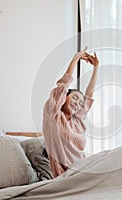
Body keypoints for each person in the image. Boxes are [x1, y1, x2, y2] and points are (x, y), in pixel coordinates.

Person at [42, 47, 99, 177]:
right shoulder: (53, 115)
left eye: (80, 102)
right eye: (74, 97)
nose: (77, 103)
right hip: (68, 177)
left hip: (84, 168)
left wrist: (96, 67)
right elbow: (62, 86)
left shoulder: (77, 121)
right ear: (64, 97)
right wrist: (75, 59)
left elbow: (89, 95)